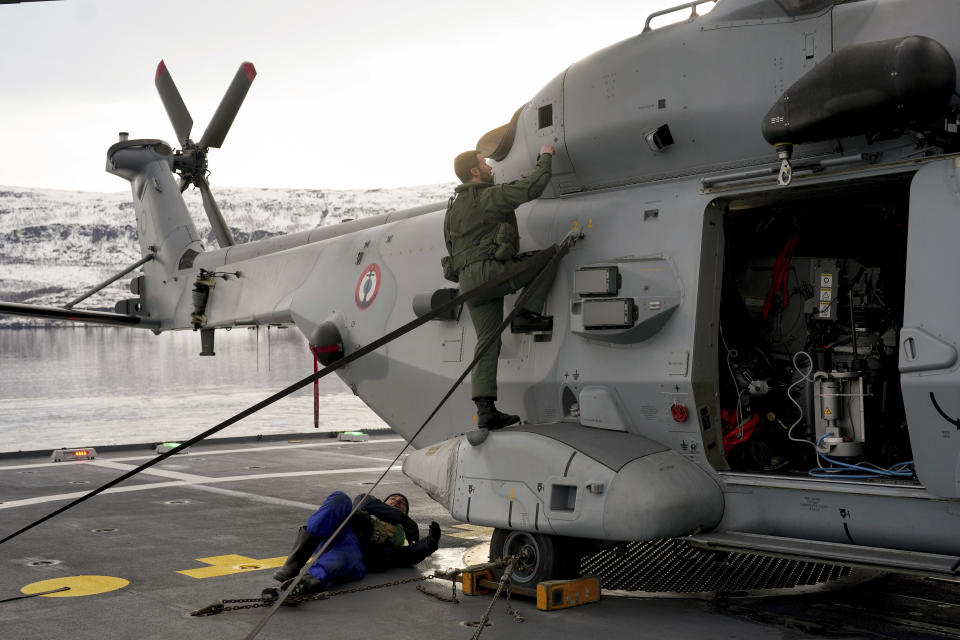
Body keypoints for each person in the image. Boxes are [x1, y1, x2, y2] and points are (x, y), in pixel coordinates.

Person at [443, 145, 558, 430]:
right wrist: (545, 155)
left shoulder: (453, 209)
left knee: (487, 341)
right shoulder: (488, 198)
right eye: (484, 164)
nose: (490, 167)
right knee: (549, 257)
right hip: (489, 274)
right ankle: (526, 313)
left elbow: (452, 246)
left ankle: (486, 410)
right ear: (474, 172)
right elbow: (532, 187)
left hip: (469, 283)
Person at [271, 491, 441, 595]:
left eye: (402, 503)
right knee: (339, 497)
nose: (397, 501)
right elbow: (364, 501)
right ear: (383, 503)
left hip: (356, 555)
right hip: (339, 534)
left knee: (340, 558)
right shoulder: (366, 505)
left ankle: (305, 583)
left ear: (406, 511)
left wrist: (430, 543)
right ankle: (293, 564)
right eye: (393, 498)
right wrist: (399, 519)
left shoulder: (396, 537)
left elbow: (409, 555)